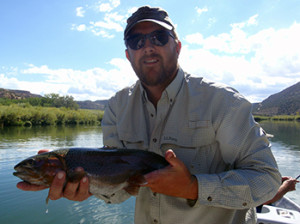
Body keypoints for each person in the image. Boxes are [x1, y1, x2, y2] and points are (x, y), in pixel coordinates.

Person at [17, 6, 282, 224]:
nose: (147, 46)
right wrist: (86, 189)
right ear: (128, 54)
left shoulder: (224, 103)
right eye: (136, 41)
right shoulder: (116, 108)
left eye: (159, 37)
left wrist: (193, 187)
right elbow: (120, 193)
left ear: (177, 46)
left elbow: (267, 181)